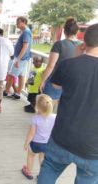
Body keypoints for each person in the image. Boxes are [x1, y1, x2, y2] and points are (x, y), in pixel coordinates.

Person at [38, 23, 98, 184]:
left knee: (49, 169)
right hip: (93, 147)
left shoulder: (69, 65)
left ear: (84, 42)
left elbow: (56, 85)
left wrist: (78, 56)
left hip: (62, 137)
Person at [40, 18, 81, 104]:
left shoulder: (59, 44)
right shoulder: (82, 45)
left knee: (47, 109)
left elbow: (51, 65)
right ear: (77, 31)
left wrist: (43, 81)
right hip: (73, 83)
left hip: (56, 82)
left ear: (64, 31)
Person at [21, 94, 55, 179]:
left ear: (37, 106)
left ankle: (28, 172)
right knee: (42, 158)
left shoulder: (35, 118)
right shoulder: (55, 117)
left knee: (31, 156)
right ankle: (42, 175)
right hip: (47, 144)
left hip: (35, 144)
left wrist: (26, 143)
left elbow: (31, 134)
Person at [4, 16, 32, 100]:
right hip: (23, 58)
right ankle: (18, 93)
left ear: (23, 22)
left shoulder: (26, 32)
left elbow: (25, 46)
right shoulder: (25, 31)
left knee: (11, 75)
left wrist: (18, 59)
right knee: (21, 76)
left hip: (21, 58)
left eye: (18, 22)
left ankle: (6, 91)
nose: (17, 24)